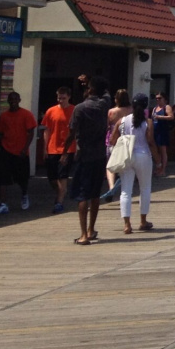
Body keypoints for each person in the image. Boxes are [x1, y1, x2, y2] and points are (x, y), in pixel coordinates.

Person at [63, 76, 111, 245]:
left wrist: (64, 151)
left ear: (90, 90)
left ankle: (83, 234)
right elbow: (105, 92)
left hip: (84, 155)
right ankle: (91, 230)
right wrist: (91, 82)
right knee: (95, 194)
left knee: (82, 195)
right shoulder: (104, 104)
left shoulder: (80, 108)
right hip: (99, 155)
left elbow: (71, 132)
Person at [109, 93, 161, 234]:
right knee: (145, 188)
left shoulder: (122, 121)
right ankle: (143, 221)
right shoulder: (147, 122)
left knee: (125, 191)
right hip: (143, 155)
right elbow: (150, 142)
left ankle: (127, 224)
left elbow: (112, 140)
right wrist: (159, 162)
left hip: (126, 156)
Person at [0, 91, 37, 214]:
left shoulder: (26, 115)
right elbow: (0, 134)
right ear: (8, 101)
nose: (13, 101)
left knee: (22, 179)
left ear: (19, 100)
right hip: (5, 150)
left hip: (20, 152)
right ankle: (3, 203)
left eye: (15, 99)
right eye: (10, 99)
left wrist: (25, 148)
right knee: (1, 178)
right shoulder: (3, 116)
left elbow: (31, 132)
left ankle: (24, 194)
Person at [41, 86, 75, 214]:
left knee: (63, 175)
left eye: (63, 98)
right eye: (59, 98)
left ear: (69, 97)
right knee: (52, 178)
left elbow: (77, 130)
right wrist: (45, 148)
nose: (61, 100)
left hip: (68, 148)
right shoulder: (51, 111)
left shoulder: (74, 110)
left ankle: (59, 202)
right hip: (52, 148)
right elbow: (47, 130)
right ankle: (61, 193)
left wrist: (77, 147)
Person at [100, 90, 132, 202]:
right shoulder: (131, 111)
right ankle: (125, 190)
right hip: (127, 140)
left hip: (112, 140)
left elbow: (106, 126)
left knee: (110, 166)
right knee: (126, 166)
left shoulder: (111, 112)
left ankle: (111, 186)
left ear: (116, 99)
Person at [151, 94, 174, 176]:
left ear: (164, 99)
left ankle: (163, 170)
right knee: (156, 150)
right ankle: (158, 168)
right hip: (155, 131)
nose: (157, 100)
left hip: (163, 130)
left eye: (160, 98)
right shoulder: (154, 108)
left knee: (163, 150)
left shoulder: (166, 107)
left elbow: (171, 117)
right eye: (156, 98)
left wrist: (160, 117)